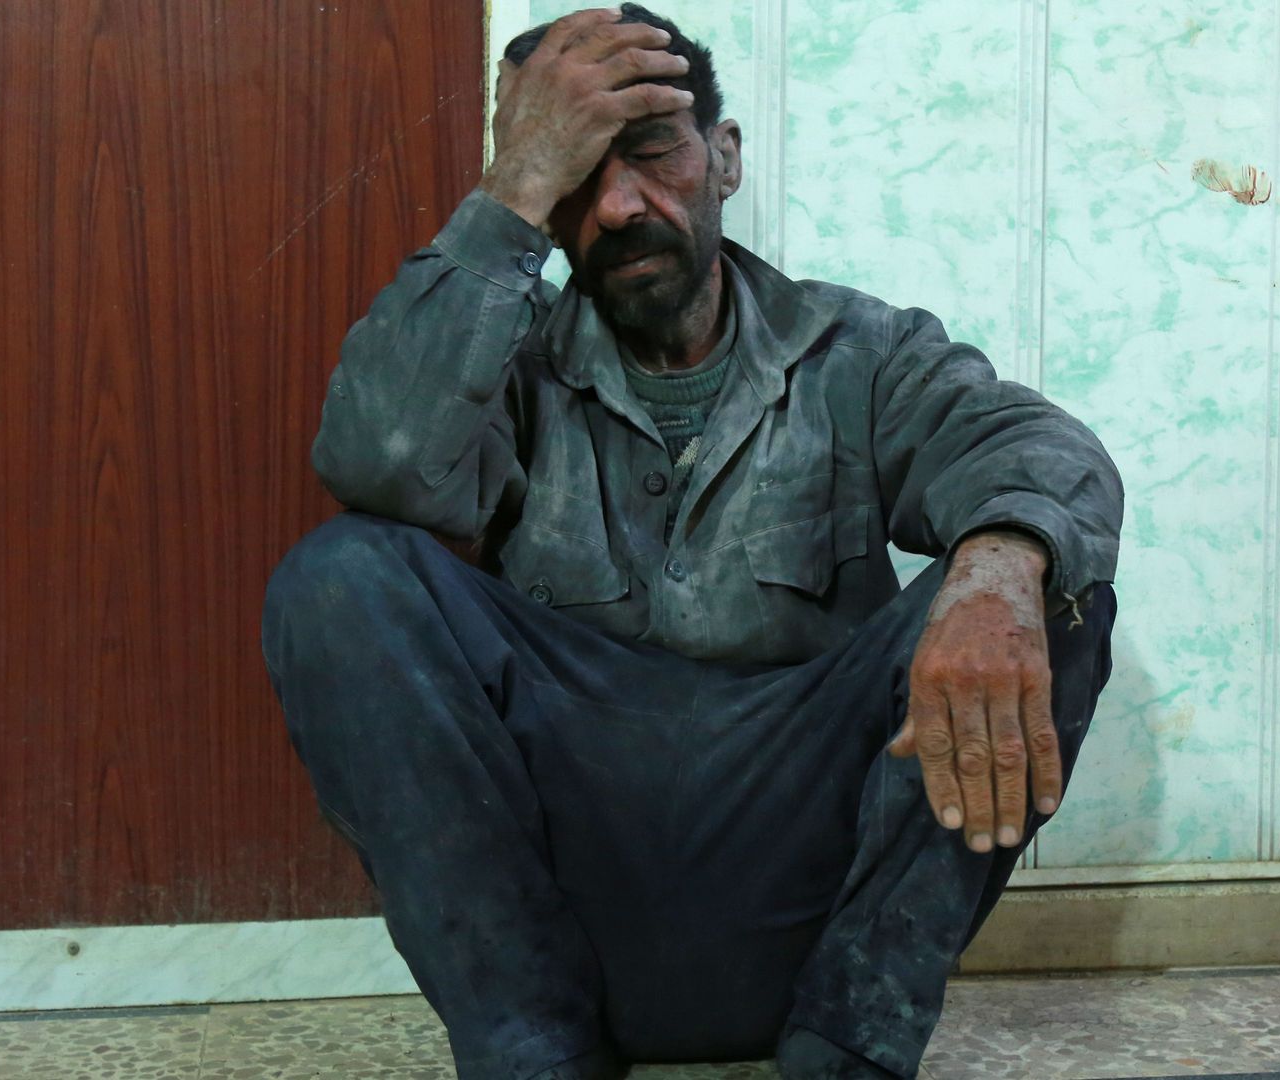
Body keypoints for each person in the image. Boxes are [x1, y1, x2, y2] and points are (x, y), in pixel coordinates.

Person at [259, 4, 1123, 1078]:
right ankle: (530, 1053)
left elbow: (1035, 447)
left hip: (802, 895)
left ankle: (850, 1048)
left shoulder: (858, 350)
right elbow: (376, 463)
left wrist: (995, 575)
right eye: (575, 170)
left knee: (1047, 582)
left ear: (726, 157)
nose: (619, 205)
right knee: (340, 579)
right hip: (562, 912)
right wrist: (512, 188)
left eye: (654, 151)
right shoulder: (497, 368)